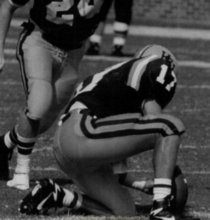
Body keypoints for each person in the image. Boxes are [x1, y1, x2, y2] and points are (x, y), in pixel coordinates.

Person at [0, 0, 209, 191]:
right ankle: (21, 171)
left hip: (75, 49)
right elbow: (7, 7)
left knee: (44, 120)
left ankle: (4, 144)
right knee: (38, 104)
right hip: (40, 40)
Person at [19, 44, 185, 220]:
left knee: (124, 212)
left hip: (72, 146)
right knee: (170, 126)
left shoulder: (116, 85)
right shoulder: (156, 66)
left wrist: (142, 184)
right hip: (81, 132)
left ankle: (57, 195)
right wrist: (167, 175)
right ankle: (161, 210)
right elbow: (157, 122)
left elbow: (118, 168)